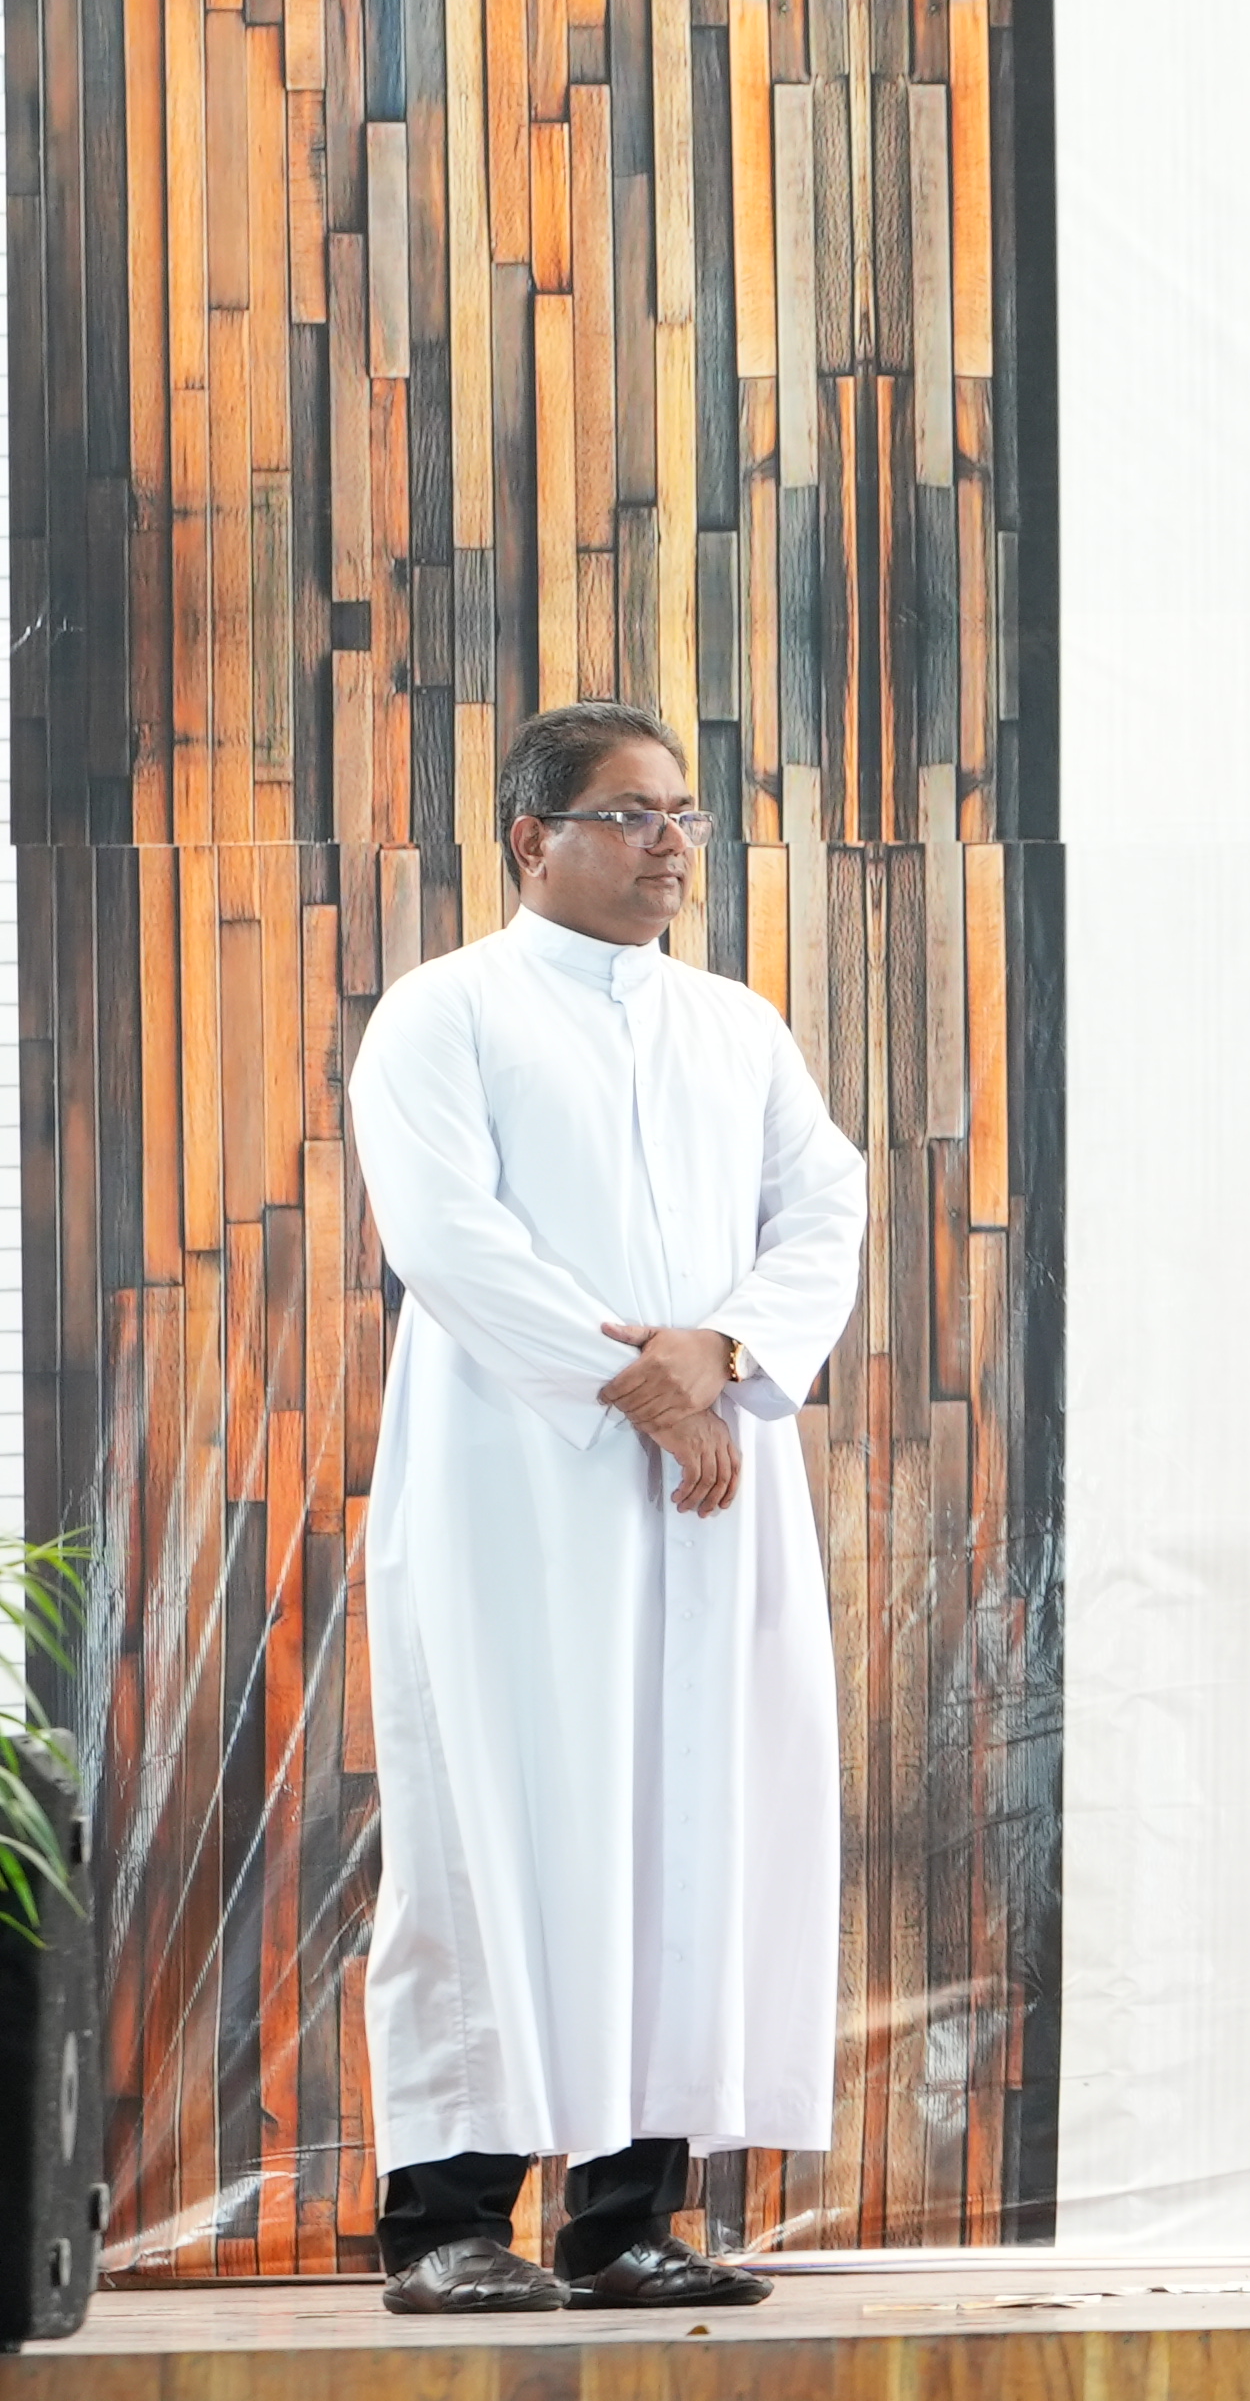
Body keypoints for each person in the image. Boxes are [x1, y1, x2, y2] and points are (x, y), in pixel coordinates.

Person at [343, 702, 871, 2316]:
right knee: (500, 1822)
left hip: (710, 1483)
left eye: (684, 816)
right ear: (532, 839)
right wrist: (636, 1385)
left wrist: (728, 1352)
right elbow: (449, 1236)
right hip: (520, 1481)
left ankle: (625, 2216)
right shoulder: (446, 1014)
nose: (670, 845)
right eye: (632, 815)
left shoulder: (735, 1027)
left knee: (688, 1815)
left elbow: (824, 1207)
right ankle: (447, 2221)